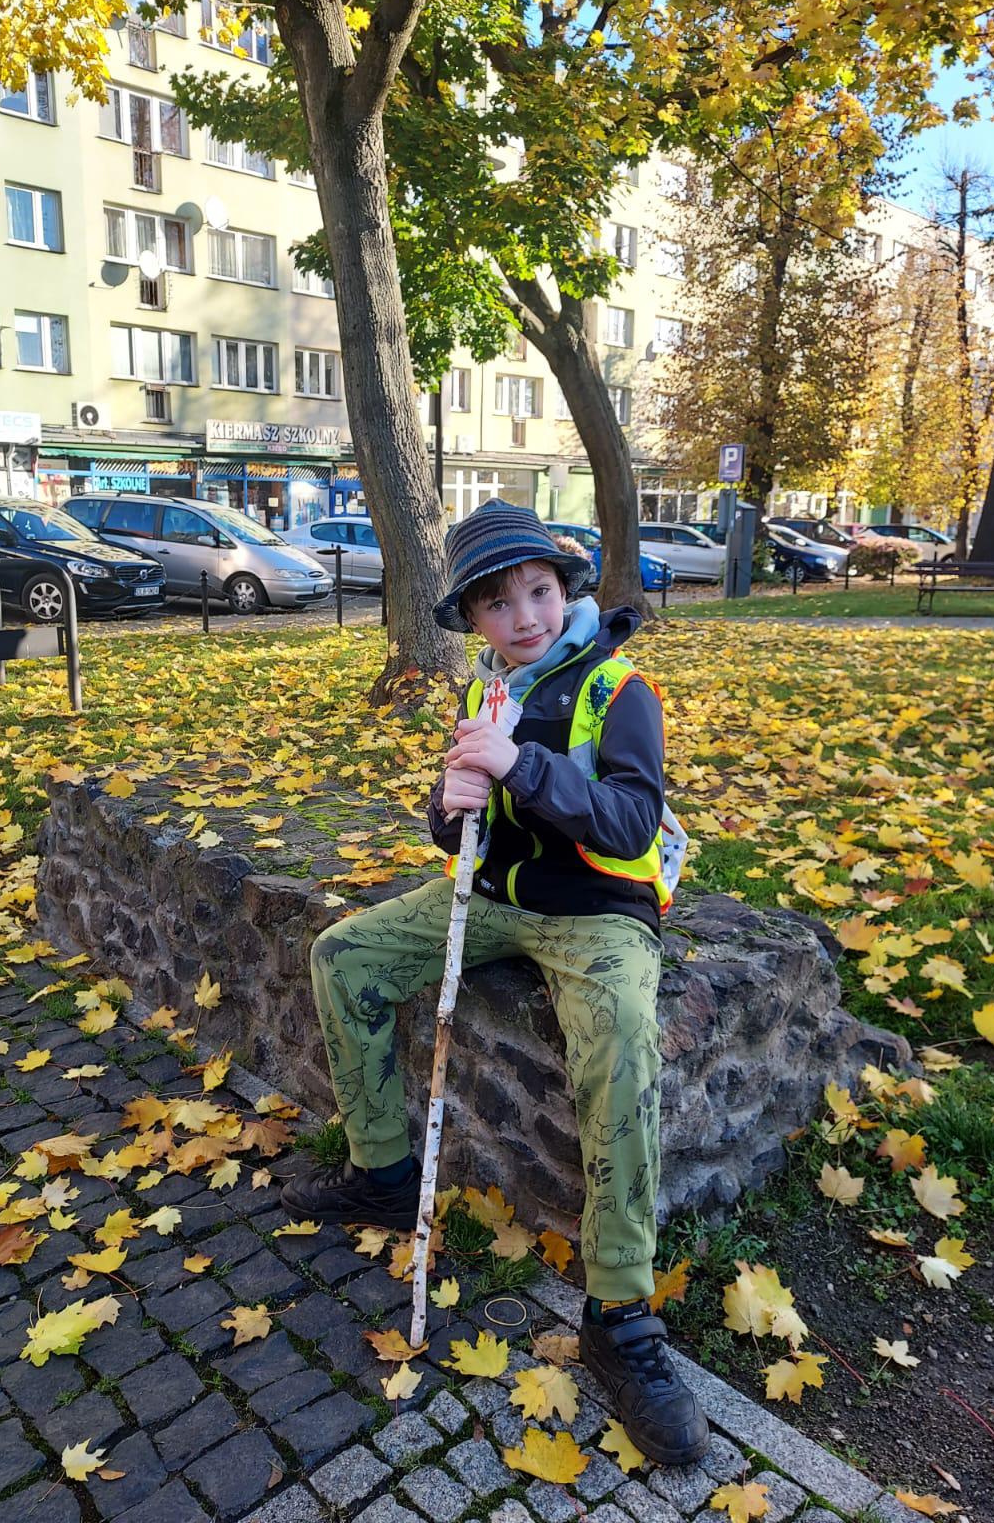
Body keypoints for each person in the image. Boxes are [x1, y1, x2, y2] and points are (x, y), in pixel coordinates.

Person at [282, 499, 707, 1465]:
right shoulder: (487, 688)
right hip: (491, 899)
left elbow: (630, 822)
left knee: (619, 1038)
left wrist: (521, 765)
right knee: (344, 957)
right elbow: (460, 827)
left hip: (598, 911)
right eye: (499, 603)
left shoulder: (618, 687)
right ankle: (385, 1175)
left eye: (540, 592)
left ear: (566, 590)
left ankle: (620, 1312)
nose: (525, 618)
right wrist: (451, 800)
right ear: (473, 618)